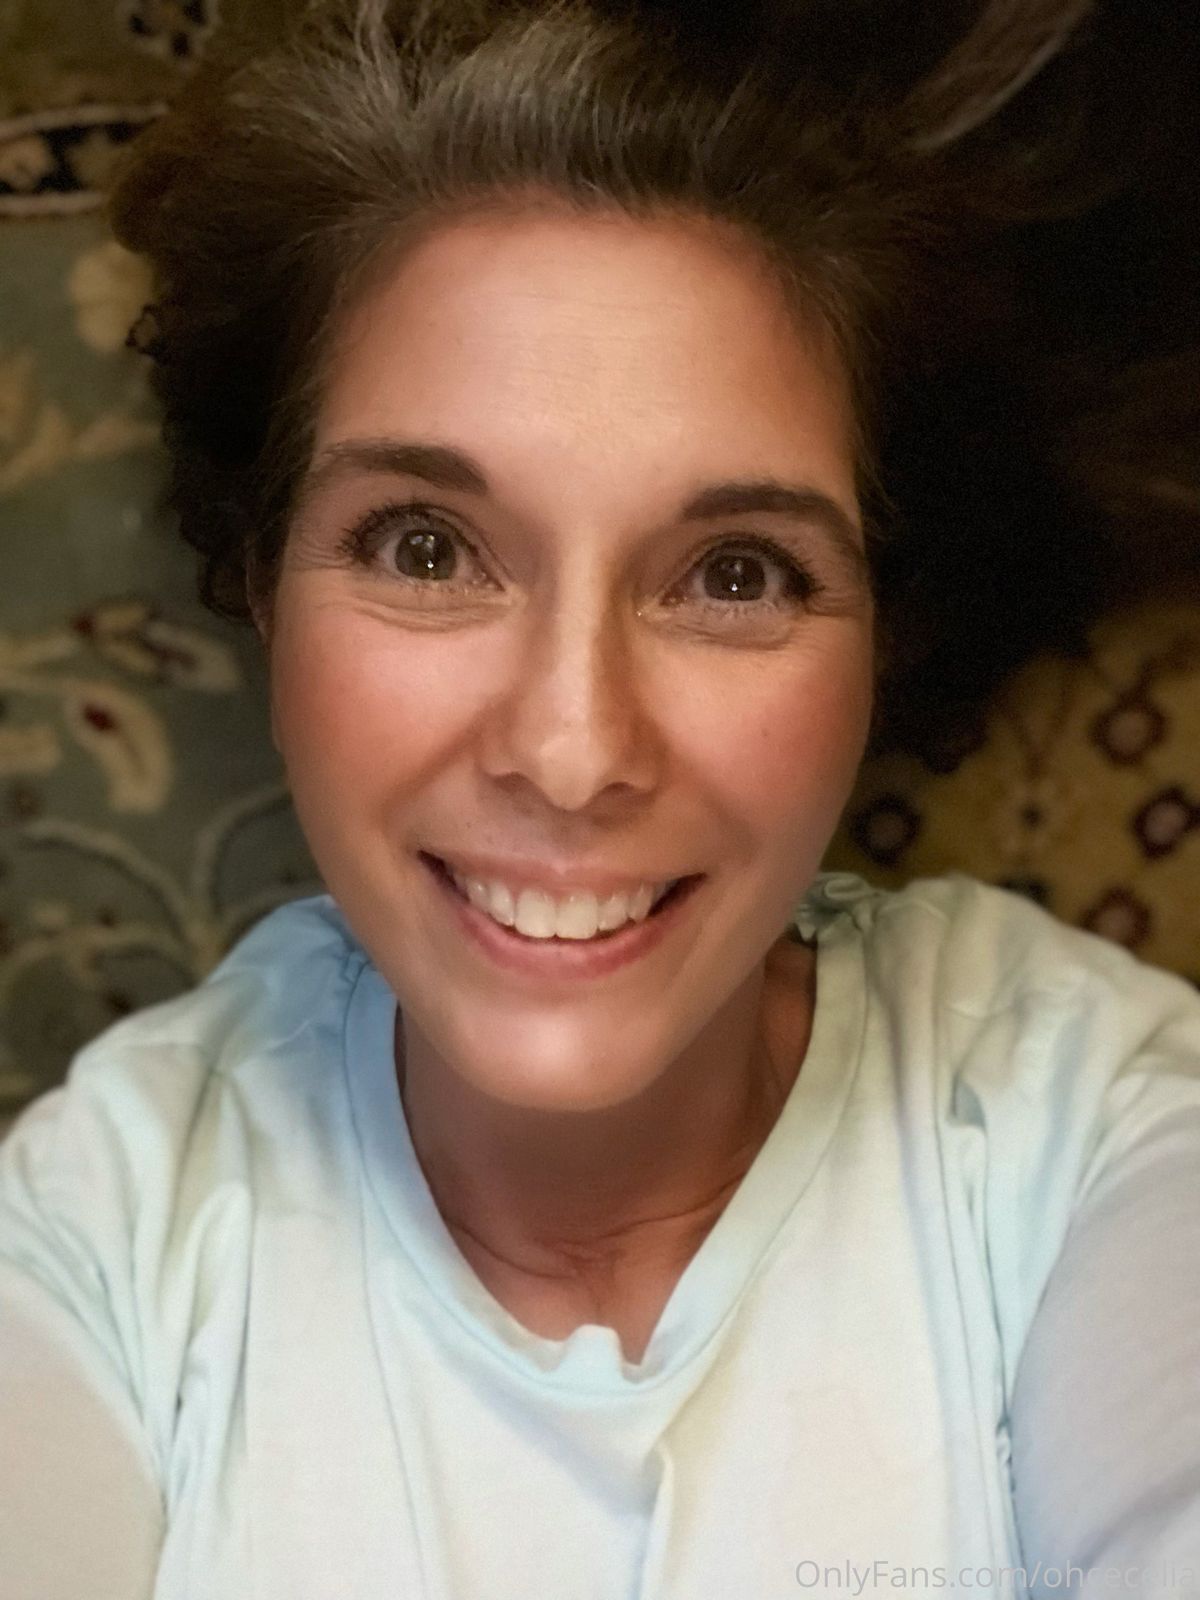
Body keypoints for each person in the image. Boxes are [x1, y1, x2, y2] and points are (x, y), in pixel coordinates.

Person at [1, 1, 1197, 1596]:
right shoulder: (95, 1234)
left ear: (882, 642)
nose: (572, 752)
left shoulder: (1091, 1124)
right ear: (265, 585)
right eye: (427, 549)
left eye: (735, 575)